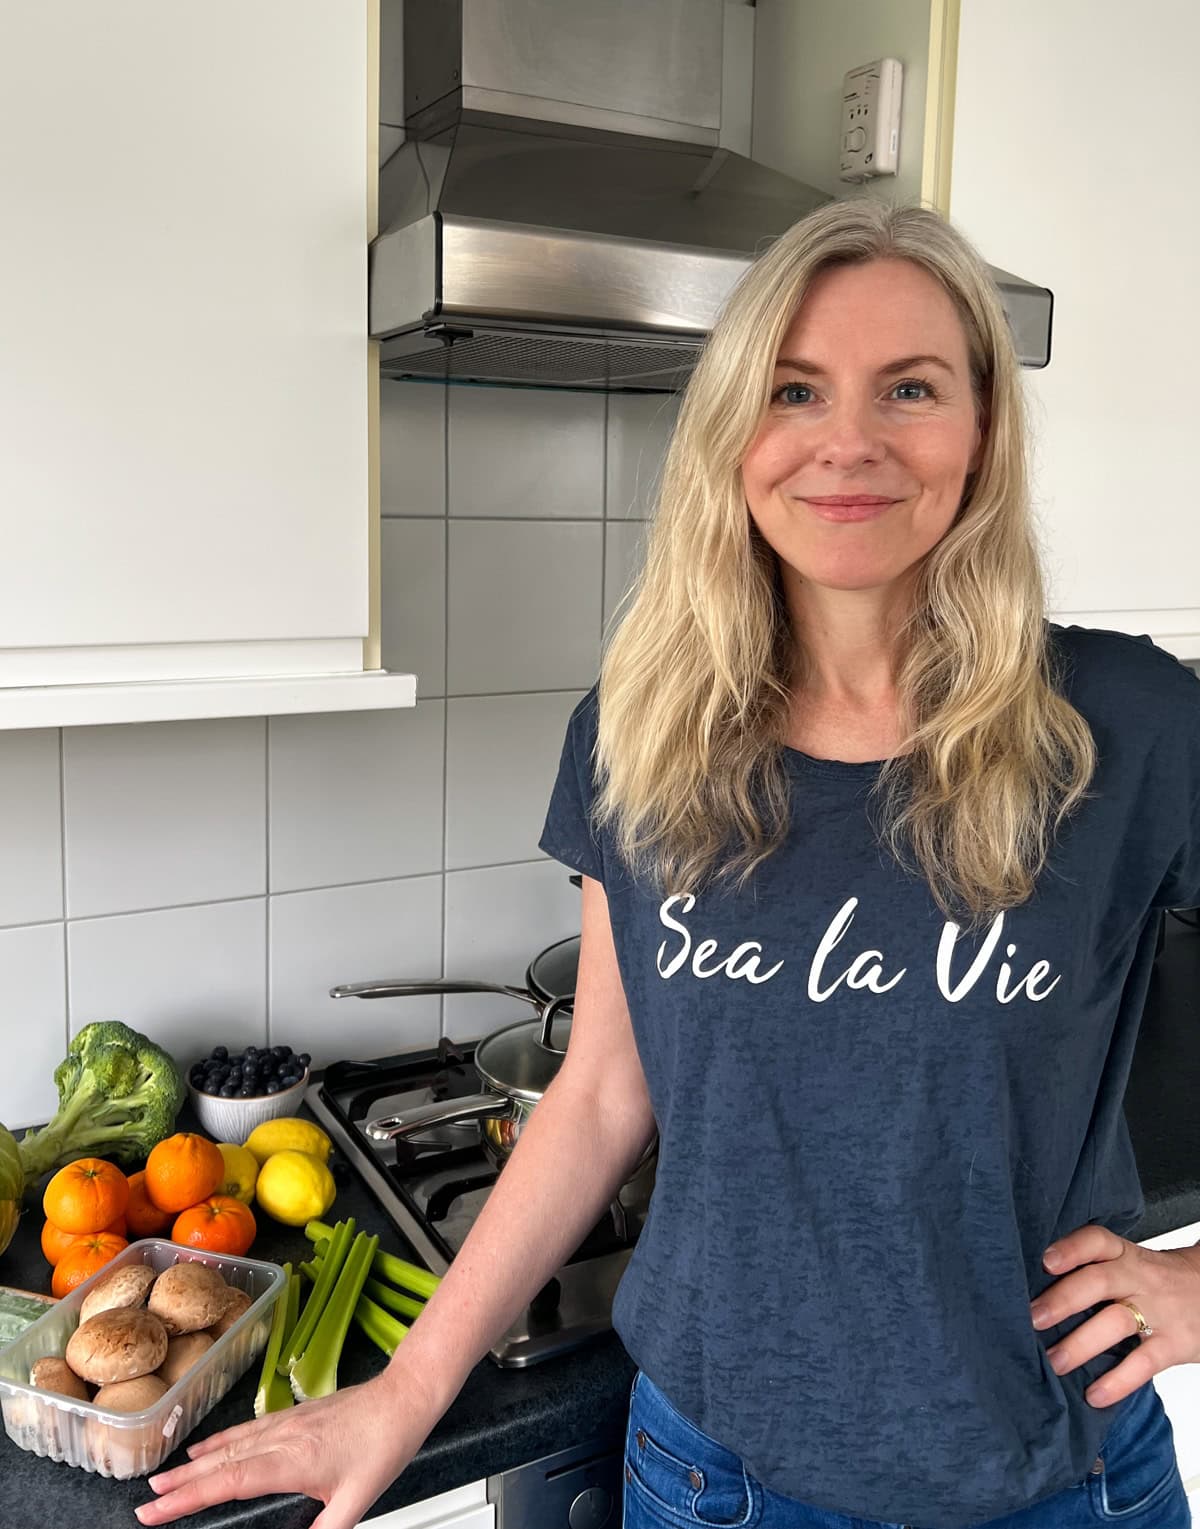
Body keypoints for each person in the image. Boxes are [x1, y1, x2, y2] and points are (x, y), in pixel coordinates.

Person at [137, 199, 1200, 1529]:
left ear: (982, 429)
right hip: (723, 1481)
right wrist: (402, 1392)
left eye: (911, 387)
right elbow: (598, 1093)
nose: (849, 440)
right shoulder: (645, 727)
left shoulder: (1129, 727)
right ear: (732, 436)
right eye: (794, 388)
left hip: (1053, 1481)